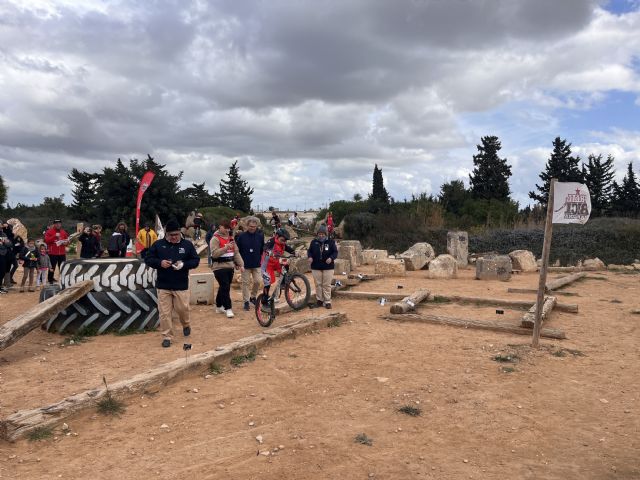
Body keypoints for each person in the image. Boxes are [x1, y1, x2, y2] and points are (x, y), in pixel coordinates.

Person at [144, 219, 200, 348]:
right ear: (166, 234)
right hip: (163, 285)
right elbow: (148, 259)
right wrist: (160, 263)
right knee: (164, 313)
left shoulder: (187, 245)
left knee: (182, 309)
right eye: (171, 235)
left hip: (181, 284)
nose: (174, 237)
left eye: (176, 234)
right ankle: (167, 336)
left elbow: (195, 261)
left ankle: (186, 324)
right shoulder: (158, 244)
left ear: (180, 232)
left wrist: (183, 265)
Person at [210, 219, 244, 318]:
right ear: (220, 226)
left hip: (230, 266)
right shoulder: (215, 239)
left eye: (228, 228)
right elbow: (214, 254)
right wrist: (225, 248)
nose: (227, 230)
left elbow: (236, 253)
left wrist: (241, 265)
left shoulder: (231, 238)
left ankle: (219, 306)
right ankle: (228, 308)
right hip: (219, 267)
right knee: (225, 287)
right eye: (225, 228)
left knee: (223, 287)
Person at [260, 227, 295, 306]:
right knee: (268, 282)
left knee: (286, 264)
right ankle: (264, 300)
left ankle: (283, 284)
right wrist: (271, 253)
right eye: (282, 240)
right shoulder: (271, 241)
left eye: (285, 241)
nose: (284, 242)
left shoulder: (282, 244)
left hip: (276, 263)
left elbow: (288, 249)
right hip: (267, 265)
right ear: (276, 236)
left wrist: (294, 252)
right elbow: (265, 248)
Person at [235, 216, 264, 311]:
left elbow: (261, 249)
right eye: (251, 226)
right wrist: (237, 262)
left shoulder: (260, 236)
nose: (252, 228)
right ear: (247, 226)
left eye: (254, 226)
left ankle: (253, 296)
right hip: (245, 264)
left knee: (258, 281)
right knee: (245, 283)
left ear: (256, 227)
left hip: (256, 263)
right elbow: (237, 250)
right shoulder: (241, 236)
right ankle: (246, 301)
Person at [307, 224, 338, 309]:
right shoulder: (314, 242)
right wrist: (310, 257)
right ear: (317, 234)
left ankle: (327, 301)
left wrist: (331, 258)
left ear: (326, 234)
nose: (321, 236)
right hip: (316, 266)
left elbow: (335, 252)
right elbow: (310, 251)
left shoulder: (331, 242)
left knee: (326, 284)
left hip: (328, 266)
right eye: (319, 234)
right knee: (318, 284)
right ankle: (319, 301)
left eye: (323, 234)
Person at [44, 219, 69, 284]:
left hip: (62, 253)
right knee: (52, 267)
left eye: (59, 223)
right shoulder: (49, 231)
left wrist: (66, 243)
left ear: (61, 224)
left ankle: (62, 279)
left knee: (62, 267)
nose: (58, 225)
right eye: (56, 223)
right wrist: (54, 236)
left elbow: (67, 240)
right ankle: (50, 280)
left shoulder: (63, 232)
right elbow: (46, 241)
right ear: (54, 224)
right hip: (52, 253)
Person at [0, 229, 12, 293]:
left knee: (2, 271)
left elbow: (9, 244)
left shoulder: (3, 234)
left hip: (4, 255)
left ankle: (0, 286)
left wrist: (4, 242)